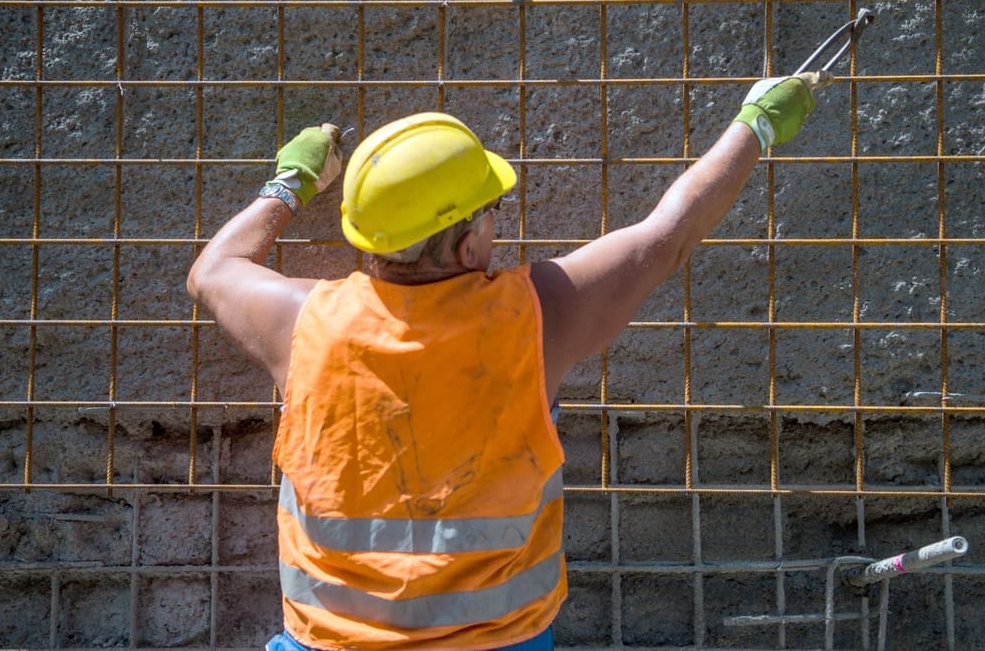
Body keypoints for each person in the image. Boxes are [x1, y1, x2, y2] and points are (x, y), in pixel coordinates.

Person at [186, 71, 828, 651]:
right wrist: (757, 122)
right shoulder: (536, 317)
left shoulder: (300, 323)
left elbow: (213, 271)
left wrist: (292, 180)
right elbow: (670, 235)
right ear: (469, 246)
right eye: (492, 213)